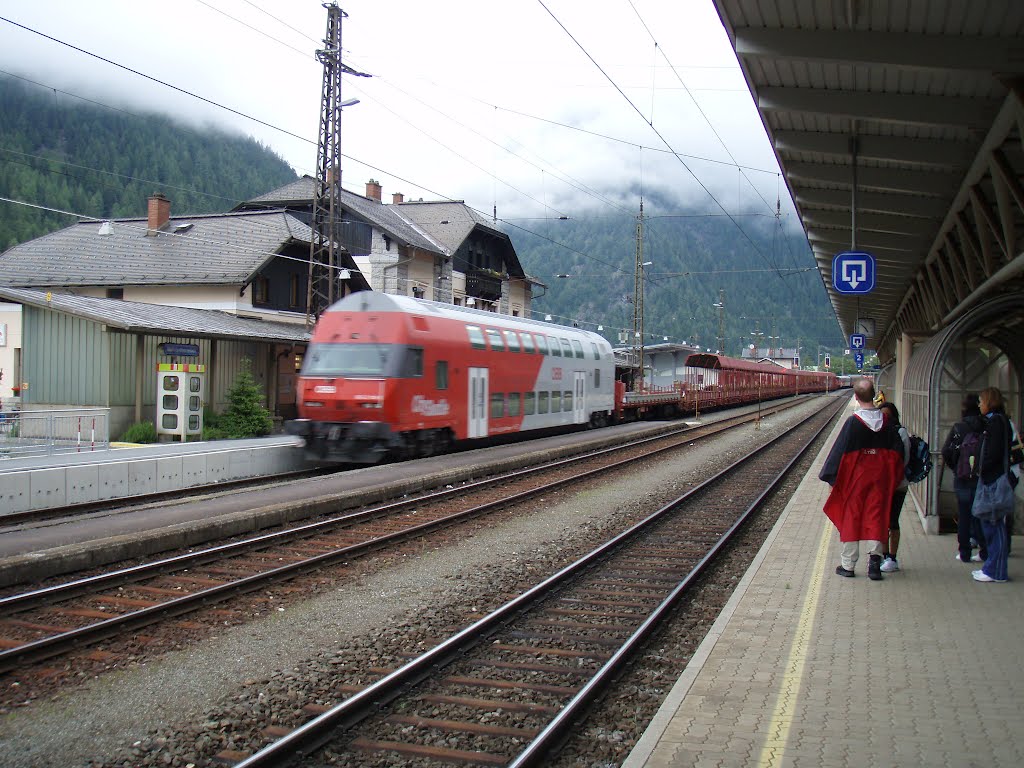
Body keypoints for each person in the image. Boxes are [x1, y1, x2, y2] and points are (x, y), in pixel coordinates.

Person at [819, 378, 906, 580]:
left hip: (856, 480)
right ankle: (875, 564)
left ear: (856, 397)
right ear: (875, 395)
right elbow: (897, 453)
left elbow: (839, 452)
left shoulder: (853, 423)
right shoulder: (887, 423)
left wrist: (832, 479)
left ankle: (848, 565)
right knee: (878, 516)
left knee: (852, 516)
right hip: (880, 481)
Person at [973, 387, 1015, 583]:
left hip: (993, 479)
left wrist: (984, 469)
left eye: (981, 401)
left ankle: (996, 570)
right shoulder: (994, 421)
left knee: (994, 524)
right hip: (990, 478)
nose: (979, 405)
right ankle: (991, 565)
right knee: (989, 523)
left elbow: (994, 452)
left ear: (989, 401)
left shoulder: (997, 422)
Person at [940, 394, 987, 565]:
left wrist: (957, 466)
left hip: (962, 478)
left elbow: (946, 451)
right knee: (981, 515)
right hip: (981, 478)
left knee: (964, 516)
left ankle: (965, 552)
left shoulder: (959, 427)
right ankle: (984, 551)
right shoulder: (985, 425)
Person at [878, 402, 910, 572]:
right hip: (894, 484)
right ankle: (888, 556)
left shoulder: (885, 432)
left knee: (889, 520)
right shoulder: (900, 431)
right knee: (888, 520)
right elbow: (906, 459)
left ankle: (889, 557)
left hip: (892, 485)